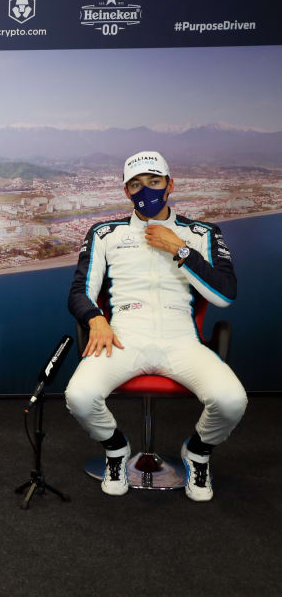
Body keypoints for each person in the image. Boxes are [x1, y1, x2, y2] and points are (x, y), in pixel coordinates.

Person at [65, 151, 246, 501]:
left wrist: (180, 250)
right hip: (123, 338)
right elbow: (79, 292)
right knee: (79, 396)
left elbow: (225, 295)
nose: (145, 190)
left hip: (182, 341)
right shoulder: (105, 233)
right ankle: (116, 450)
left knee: (231, 401)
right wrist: (96, 319)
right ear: (126, 191)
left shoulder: (202, 233)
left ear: (170, 184)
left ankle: (197, 453)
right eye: (135, 184)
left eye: (153, 181)